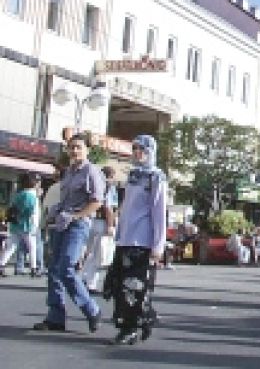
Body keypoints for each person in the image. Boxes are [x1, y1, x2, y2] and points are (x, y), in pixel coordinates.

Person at [33, 133, 104, 333]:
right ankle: (55, 317)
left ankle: (92, 310)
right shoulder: (69, 172)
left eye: (78, 147)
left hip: (78, 224)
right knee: (54, 270)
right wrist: (54, 214)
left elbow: (97, 201)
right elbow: (65, 199)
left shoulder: (91, 172)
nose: (74, 151)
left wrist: (77, 216)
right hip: (61, 223)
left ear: (86, 150)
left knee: (66, 268)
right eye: (71, 147)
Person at [107, 135, 167, 345]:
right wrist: (118, 231)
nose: (137, 153)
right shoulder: (133, 175)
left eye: (142, 149)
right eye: (135, 149)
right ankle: (144, 316)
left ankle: (131, 327)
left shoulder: (156, 177)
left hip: (142, 240)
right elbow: (127, 207)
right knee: (118, 285)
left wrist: (158, 246)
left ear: (151, 151)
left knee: (133, 287)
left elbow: (159, 213)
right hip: (125, 239)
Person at [83, 166, 118, 293]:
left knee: (89, 252)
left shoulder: (94, 185)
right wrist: (110, 225)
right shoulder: (109, 188)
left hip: (90, 219)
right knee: (99, 255)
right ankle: (91, 282)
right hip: (102, 222)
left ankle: (84, 277)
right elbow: (108, 207)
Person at [0, 173, 41, 277]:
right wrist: (34, 225)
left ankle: (1, 265)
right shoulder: (32, 196)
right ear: (33, 183)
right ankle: (34, 268)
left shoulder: (18, 194)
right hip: (27, 225)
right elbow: (32, 212)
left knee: (11, 246)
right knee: (32, 247)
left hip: (15, 225)